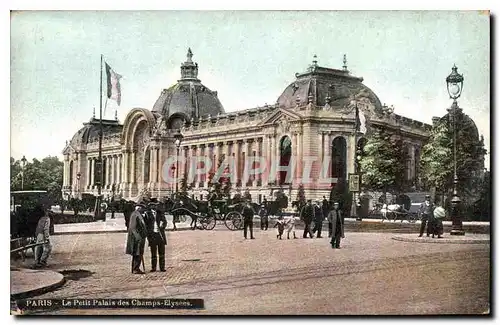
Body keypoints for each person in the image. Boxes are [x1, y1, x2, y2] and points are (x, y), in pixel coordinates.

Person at [126, 202, 148, 274]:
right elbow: (133, 227)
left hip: (140, 237)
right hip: (137, 238)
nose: (142, 209)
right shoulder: (135, 214)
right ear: (138, 208)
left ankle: (136, 268)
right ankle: (136, 268)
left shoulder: (138, 214)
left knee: (138, 253)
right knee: (137, 253)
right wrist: (138, 237)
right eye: (141, 208)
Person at [145, 202, 167, 272]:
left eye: (155, 205)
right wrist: (148, 234)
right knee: (153, 253)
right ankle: (153, 268)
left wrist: (162, 226)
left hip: (160, 235)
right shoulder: (147, 214)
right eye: (152, 205)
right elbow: (146, 225)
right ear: (150, 206)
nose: (154, 207)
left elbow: (165, 222)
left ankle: (162, 267)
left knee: (162, 253)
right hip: (152, 235)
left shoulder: (160, 213)